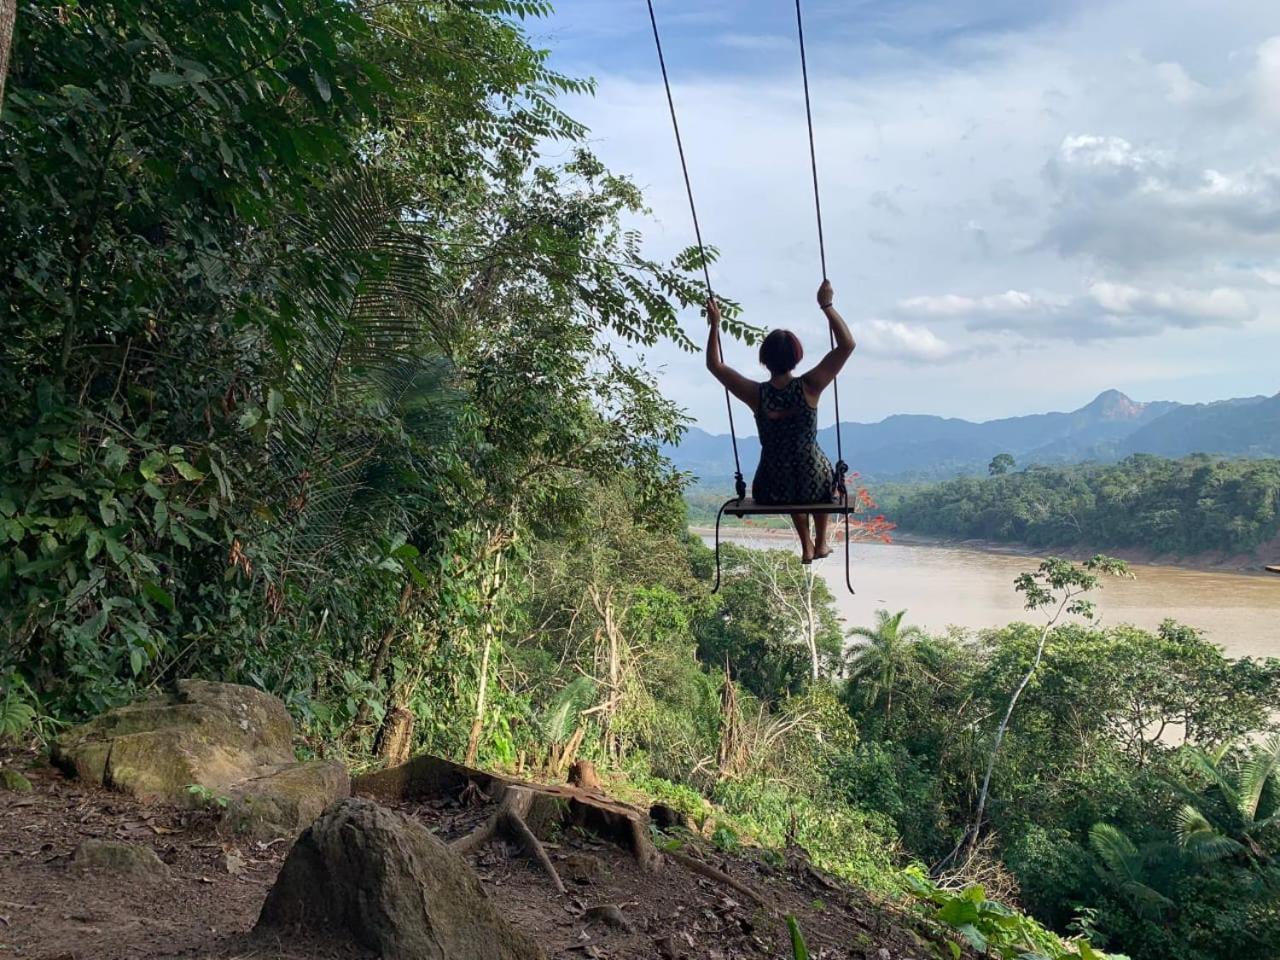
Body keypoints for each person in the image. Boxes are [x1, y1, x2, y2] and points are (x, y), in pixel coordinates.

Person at [705, 280, 855, 563]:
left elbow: (715, 366)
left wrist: (715, 325)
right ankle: (821, 543)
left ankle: (807, 546)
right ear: (797, 357)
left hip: (772, 486)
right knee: (814, 469)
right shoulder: (810, 385)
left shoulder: (756, 394)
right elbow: (847, 345)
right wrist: (827, 306)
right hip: (813, 482)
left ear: (764, 360)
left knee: (790, 471)